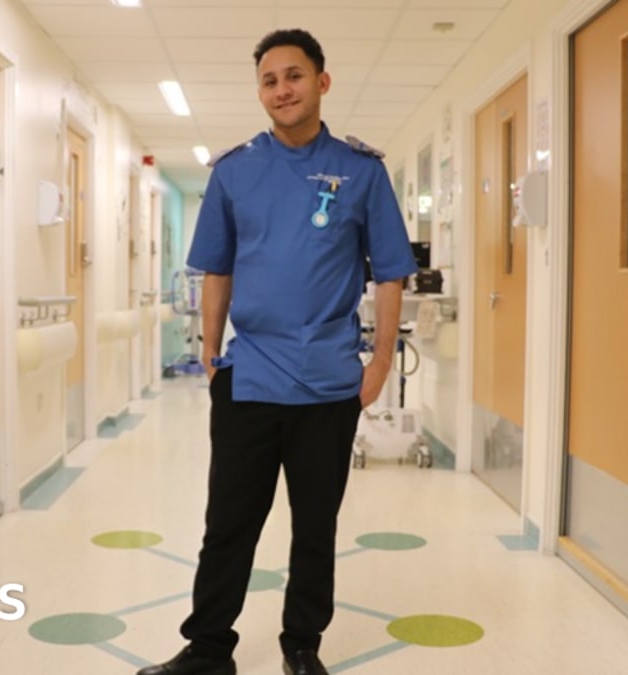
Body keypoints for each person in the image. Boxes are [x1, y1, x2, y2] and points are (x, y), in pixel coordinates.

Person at [138, 28, 417, 675]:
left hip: (327, 384)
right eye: (269, 80)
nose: (281, 89)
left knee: (313, 527)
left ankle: (301, 644)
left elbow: (391, 272)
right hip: (250, 379)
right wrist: (210, 350)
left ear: (322, 82)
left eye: (294, 76)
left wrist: (378, 362)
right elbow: (216, 267)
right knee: (228, 524)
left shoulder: (360, 171)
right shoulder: (235, 171)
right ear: (260, 91)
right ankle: (209, 647)